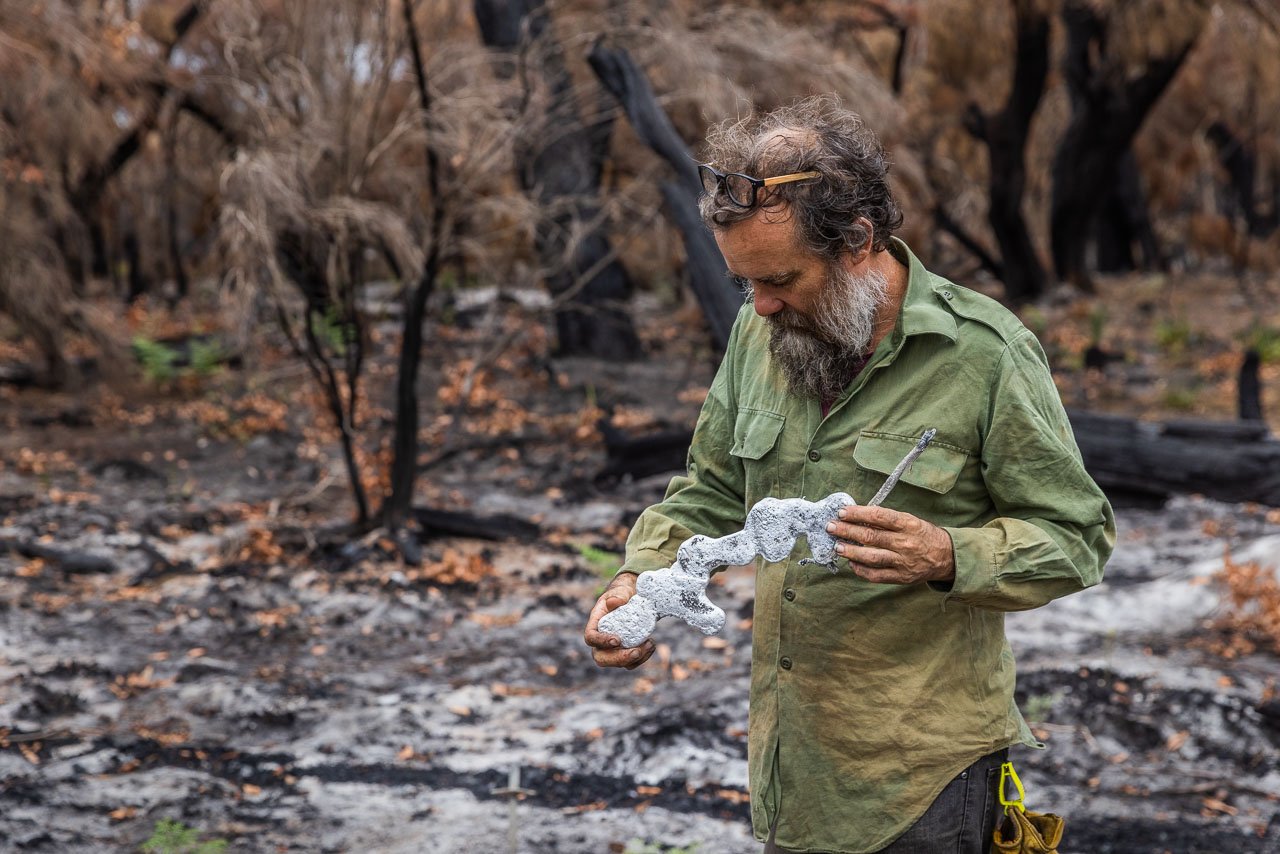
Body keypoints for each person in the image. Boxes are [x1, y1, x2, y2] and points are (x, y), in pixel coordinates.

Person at [583, 96, 1115, 854]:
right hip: (791, 765)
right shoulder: (760, 329)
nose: (760, 306)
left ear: (858, 241)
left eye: (781, 279)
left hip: (924, 780)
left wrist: (948, 556)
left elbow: (1078, 535)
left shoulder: (986, 354)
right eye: (745, 283)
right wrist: (641, 576)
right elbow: (707, 490)